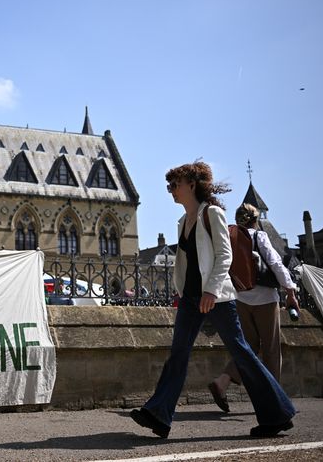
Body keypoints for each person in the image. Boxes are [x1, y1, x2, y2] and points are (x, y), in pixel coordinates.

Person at [129, 161, 296, 439]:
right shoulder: (183, 221)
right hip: (191, 299)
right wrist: (181, 291)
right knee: (178, 354)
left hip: (216, 297)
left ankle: (277, 414)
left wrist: (212, 291)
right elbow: (186, 263)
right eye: (169, 185)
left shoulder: (212, 213)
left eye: (175, 184)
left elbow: (224, 255)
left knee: (242, 352)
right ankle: (158, 414)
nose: (171, 190)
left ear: (192, 185)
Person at [207, 204, 300, 413]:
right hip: (265, 298)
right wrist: (291, 292)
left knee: (246, 348)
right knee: (271, 349)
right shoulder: (259, 236)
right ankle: (273, 399)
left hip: (240, 298)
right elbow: (276, 264)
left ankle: (222, 381)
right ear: (255, 219)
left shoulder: (230, 238)